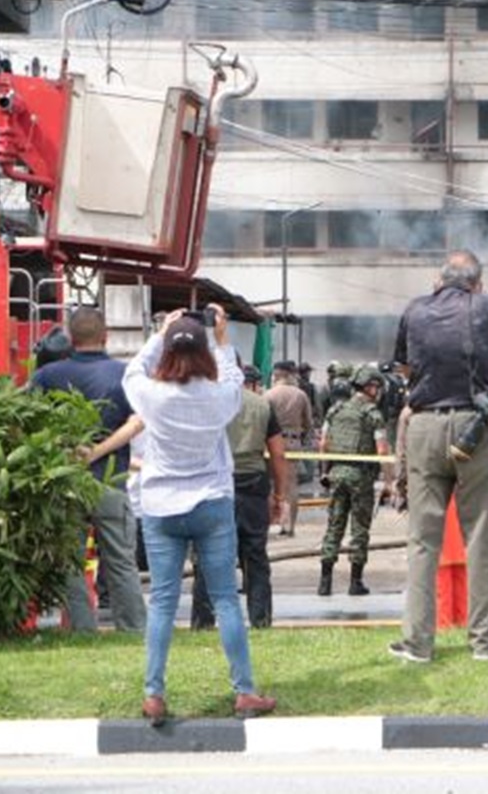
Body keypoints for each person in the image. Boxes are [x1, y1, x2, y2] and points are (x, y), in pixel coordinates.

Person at [122, 306, 276, 725]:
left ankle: (154, 694)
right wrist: (221, 338)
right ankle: (244, 691)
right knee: (226, 599)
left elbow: (133, 371)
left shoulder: (151, 397)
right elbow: (233, 378)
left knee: (163, 604)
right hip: (211, 501)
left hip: (160, 506)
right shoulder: (219, 398)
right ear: (204, 352)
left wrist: (162, 333)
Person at [389, 250, 488, 663]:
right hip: (474, 426)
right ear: (477, 283)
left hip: (424, 424)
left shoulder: (413, 309)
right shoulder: (487, 305)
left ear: (437, 280)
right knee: (482, 535)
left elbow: (404, 370)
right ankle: (487, 644)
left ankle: (417, 644)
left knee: (422, 539)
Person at [30, 307, 146, 634]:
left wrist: (66, 450)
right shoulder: (124, 375)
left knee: (70, 564)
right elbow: (138, 421)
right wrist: (99, 450)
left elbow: (24, 423)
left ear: (70, 337)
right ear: (105, 335)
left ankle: (81, 630)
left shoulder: (47, 376)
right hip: (111, 482)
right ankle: (133, 629)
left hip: (66, 485)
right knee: (121, 562)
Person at [191, 364, 288, 629]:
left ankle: (203, 620)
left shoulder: (208, 404)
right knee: (254, 553)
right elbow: (278, 453)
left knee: (209, 553)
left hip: (215, 483)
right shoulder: (262, 405)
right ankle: (260, 619)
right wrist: (279, 495)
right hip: (253, 484)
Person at [317, 364, 392, 597]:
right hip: (360, 476)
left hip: (337, 473)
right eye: (376, 387)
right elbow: (381, 450)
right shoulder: (372, 414)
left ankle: (325, 582)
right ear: (369, 388)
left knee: (334, 525)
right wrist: (388, 482)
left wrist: (324, 472)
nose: (378, 392)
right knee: (359, 528)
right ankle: (355, 582)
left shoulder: (335, 410)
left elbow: (323, 444)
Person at [265, 360, 313, 536]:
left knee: (271, 484)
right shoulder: (300, 395)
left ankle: (273, 523)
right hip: (293, 445)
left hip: (270, 444)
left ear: (276, 376)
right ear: (290, 375)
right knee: (291, 486)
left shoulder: (268, 395)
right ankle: (290, 526)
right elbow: (309, 423)